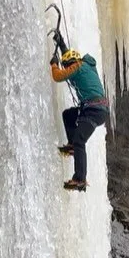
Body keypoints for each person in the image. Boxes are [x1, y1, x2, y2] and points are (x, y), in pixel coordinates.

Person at [51, 48, 108, 192]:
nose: (67, 69)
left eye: (67, 65)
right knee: (68, 115)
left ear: (71, 63)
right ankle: (72, 146)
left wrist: (54, 64)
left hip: (94, 111)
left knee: (80, 140)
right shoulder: (86, 65)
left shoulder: (77, 67)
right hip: (94, 109)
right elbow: (69, 57)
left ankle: (80, 179)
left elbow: (58, 76)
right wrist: (61, 42)